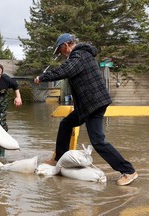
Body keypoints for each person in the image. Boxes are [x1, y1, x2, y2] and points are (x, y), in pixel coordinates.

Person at [34, 33, 138, 186]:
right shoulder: (80, 56)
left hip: (93, 105)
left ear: (67, 45)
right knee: (66, 124)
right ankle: (58, 158)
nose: (61, 54)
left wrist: (43, 77)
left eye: (61, 50)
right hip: (86, 106)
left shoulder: (79, 55)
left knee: (98, 141)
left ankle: (128, 171)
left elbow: (65, 71)